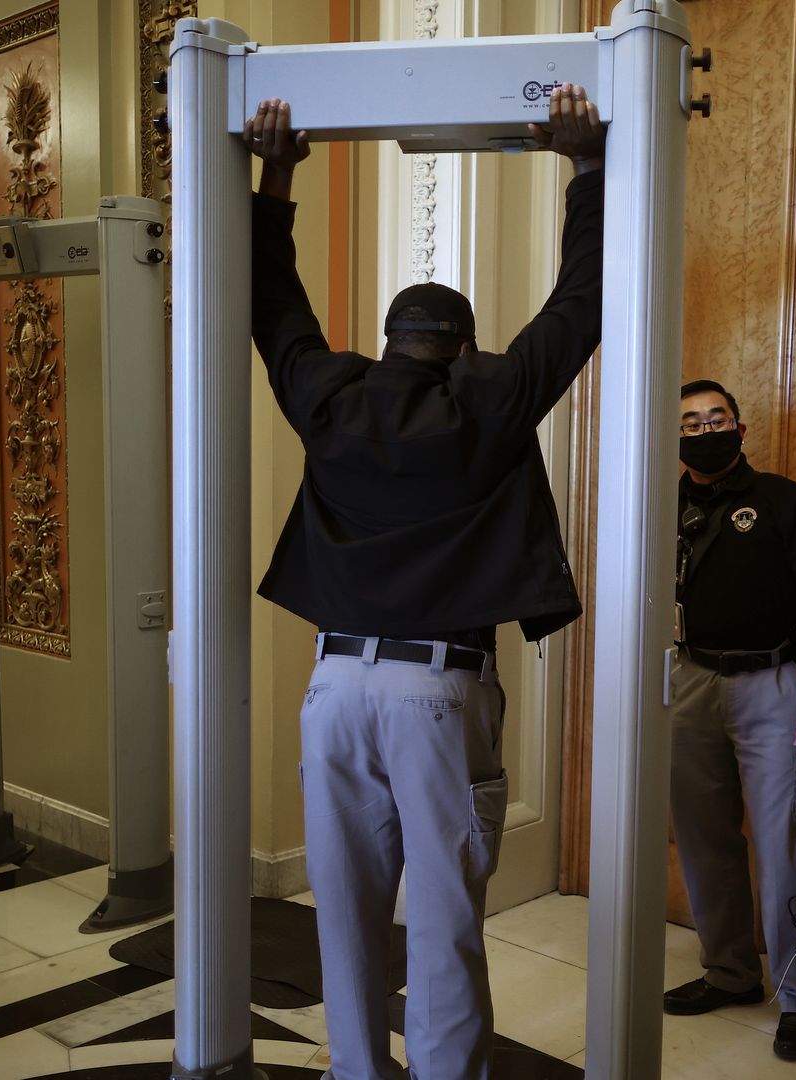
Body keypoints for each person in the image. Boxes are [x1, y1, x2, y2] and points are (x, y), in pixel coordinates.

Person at [242, 89, 604, 1080]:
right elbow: (580, 306)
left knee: (344, 911)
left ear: (390, 340)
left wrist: (277, 175)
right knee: (442, 920)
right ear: (464, 347)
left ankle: (358, 1072)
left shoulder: (331, 397)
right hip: (438, 690)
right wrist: (587, 167)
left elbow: (273, 306)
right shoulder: (494, 397)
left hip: (334, 689)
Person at [663, 379, 796, 1062]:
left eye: (717, 419)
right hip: (690, 681)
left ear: (739, 430)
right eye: (690, 421)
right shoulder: (661, 505)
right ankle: (730, 973)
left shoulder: (786, 503)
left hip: (773, 687)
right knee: (702, 837)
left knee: (784, 847)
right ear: (675, 435)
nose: (704, 429)